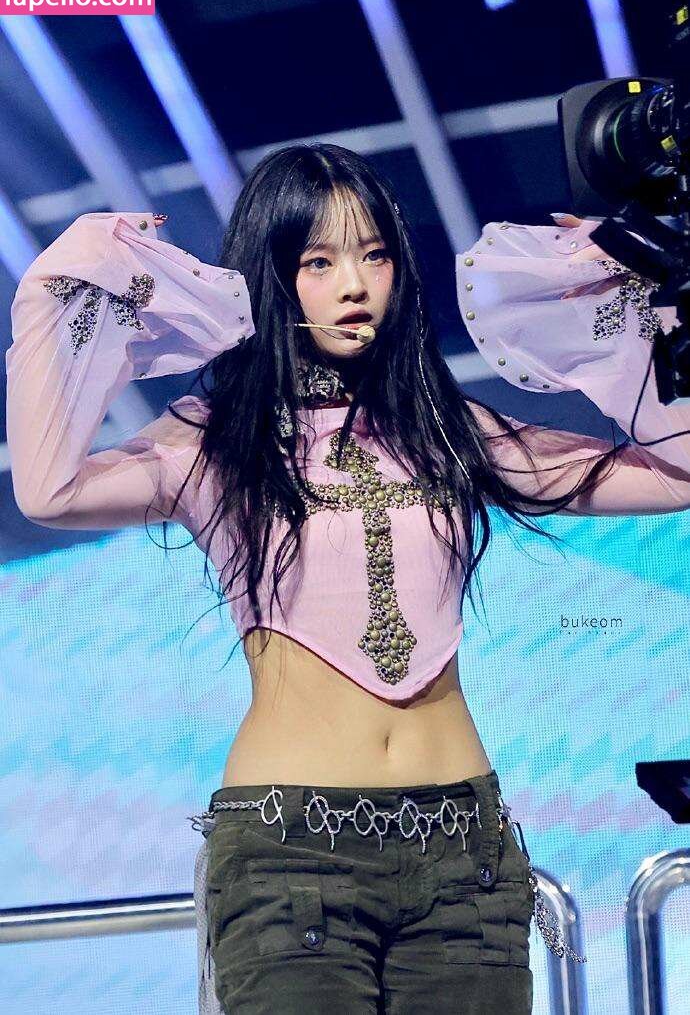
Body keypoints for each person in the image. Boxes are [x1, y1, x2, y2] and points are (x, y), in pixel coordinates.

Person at [6, 143, 690, 1015]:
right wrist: (69, 282)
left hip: (466, 856)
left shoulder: (450, 428)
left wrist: (642, 307)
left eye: (374, 255)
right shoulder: (215, 440)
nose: (356, 284)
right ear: (272, 276)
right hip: (290, 854)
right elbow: (49, 490)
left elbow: (677, 472)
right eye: (319, 262)